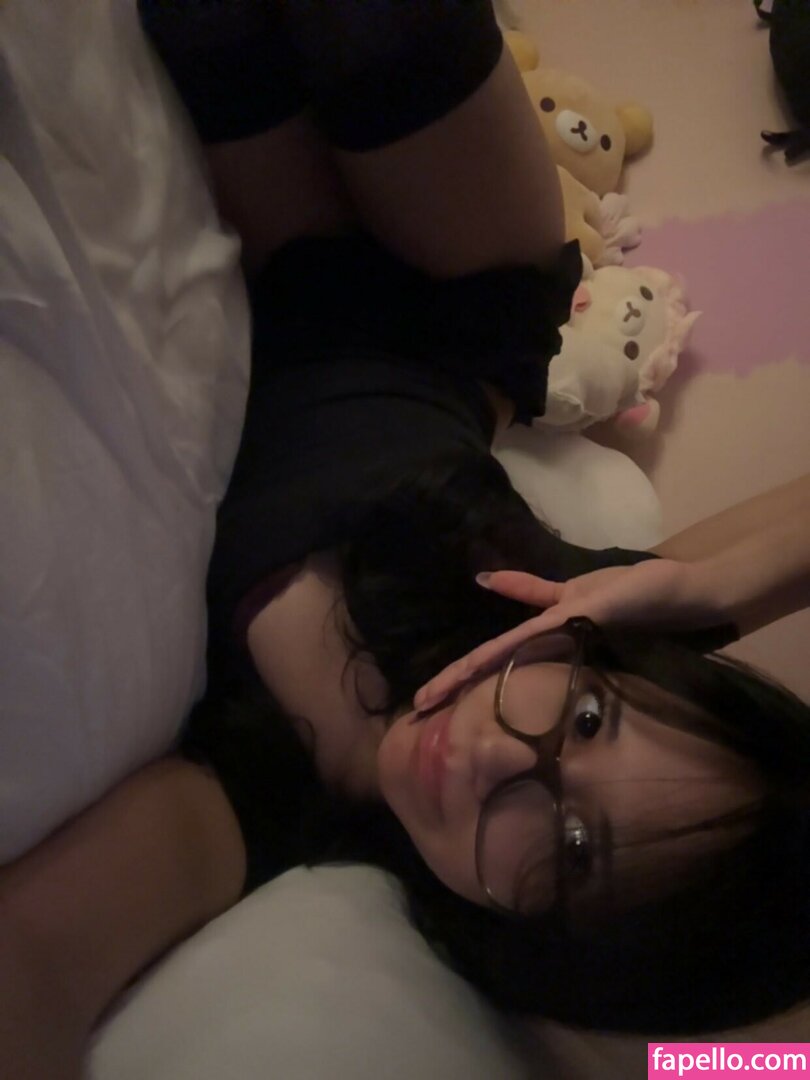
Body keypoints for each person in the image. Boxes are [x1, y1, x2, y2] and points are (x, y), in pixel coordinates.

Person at [2, 3, 809, 1075]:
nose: (495, 756)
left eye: (573, 849)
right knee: (386, 30)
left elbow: (35, 961)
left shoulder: (275, 800)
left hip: (295, 275)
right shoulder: (566, 611)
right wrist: (697, 589)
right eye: (587, 718)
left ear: (566, 956)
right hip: (470, 302)